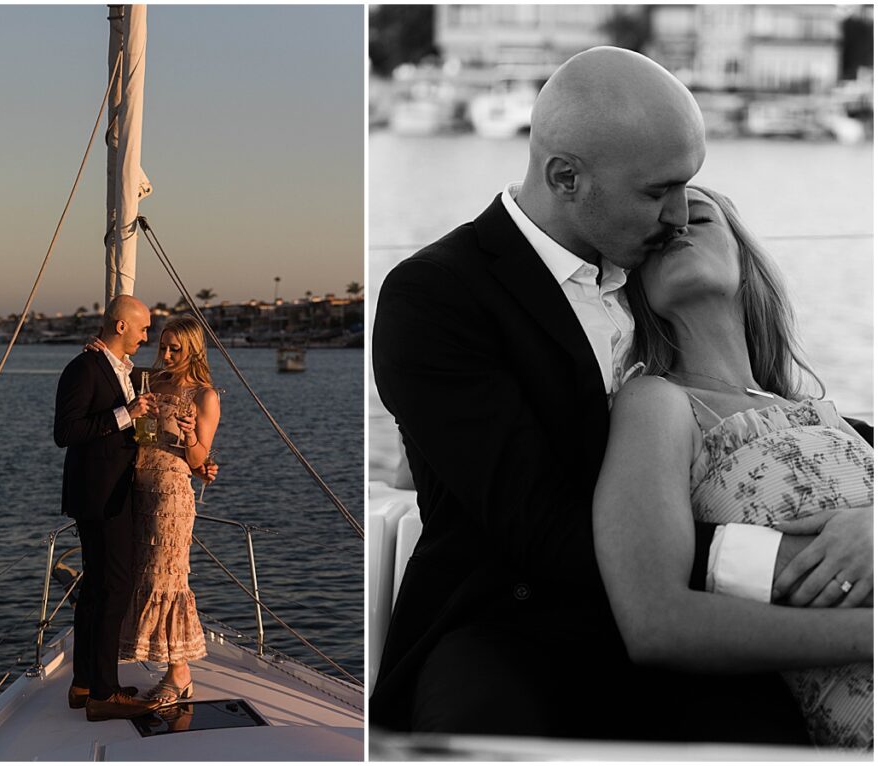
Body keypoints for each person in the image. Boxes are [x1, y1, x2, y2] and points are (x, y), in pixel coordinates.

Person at [370, 46, 872, 742]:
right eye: (657, 191)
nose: (678, 216)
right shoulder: (436, 296)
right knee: (481, 738)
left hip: (699, 624)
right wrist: (794, 562)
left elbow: (771, 419)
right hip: (511, 621)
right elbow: (537, 524)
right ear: (566, 178)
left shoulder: (658, 281)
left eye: (689, 190)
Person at [593, 185, 873, 749]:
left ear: (744, 258)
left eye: (696, 217)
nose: (676, 227)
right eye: (656, 233)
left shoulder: (825, 415)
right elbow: (655, 623)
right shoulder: (658, 403)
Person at [54, 294, 158, 721]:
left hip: (110, 491)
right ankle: (105, 693)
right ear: (120, 326)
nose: (145, 336)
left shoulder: (118, 368)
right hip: (100, 497)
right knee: (114, 587)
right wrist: (126, 413)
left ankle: (84, 684)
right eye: (143, 328)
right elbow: (66, 431)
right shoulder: (83, 368)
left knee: (97, 589)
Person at [115, 315, 220, 705]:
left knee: (168, 580)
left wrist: (192, 434)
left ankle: (180, 674)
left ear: (193, 349)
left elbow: (199, 459)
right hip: (137, 489)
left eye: (175, 348)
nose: (167, 354)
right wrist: (97, 345)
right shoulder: (151, 381)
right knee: (140, 572)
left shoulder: (205, 396)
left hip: (170, 498)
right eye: (163, 346)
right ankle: (164, 664)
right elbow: (115, 361)